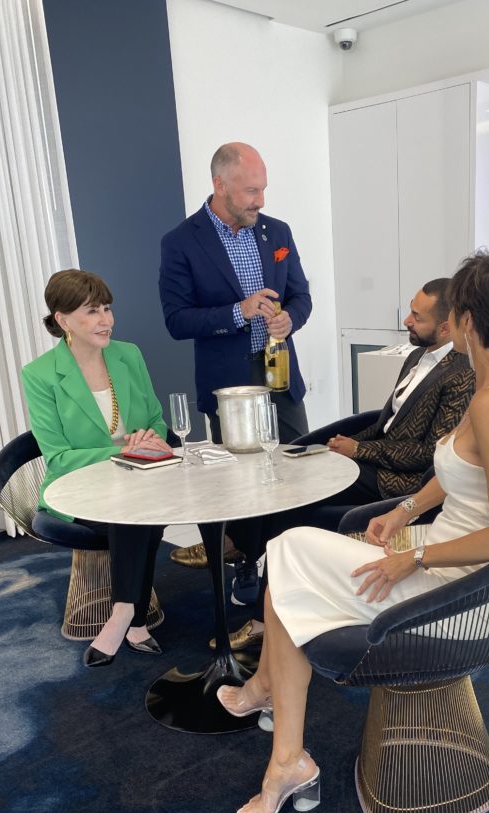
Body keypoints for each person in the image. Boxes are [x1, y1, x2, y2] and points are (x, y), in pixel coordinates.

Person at [217, 247, 489, 813]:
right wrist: (403, 511)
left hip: (450, 591)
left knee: (287, 551)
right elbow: (465, 473)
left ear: (467, 320)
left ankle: (275, 723)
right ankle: (282, 744)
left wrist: (413, 556)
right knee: (288, 568)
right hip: (443, 562)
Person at [223, 276, 474, 649]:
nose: (406, 320)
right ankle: (249, 559)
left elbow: (429, 455)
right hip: (374, 464)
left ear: (445, 326)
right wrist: (353, 441)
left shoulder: (462, 375)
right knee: (283, 482)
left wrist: (360, 451)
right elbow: (387, 423)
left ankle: (263, 617)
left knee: (294, 510)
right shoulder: (417, 354)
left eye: (416, 316)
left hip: (398, 482)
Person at [159, 142, 312, 593]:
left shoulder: (276, 232)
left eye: (262, 190)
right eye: (250, 191)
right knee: (243, 482)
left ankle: (296, 560)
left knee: (297, 468)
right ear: (219, 184)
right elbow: (176, 320)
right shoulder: (181, 242)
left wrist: (290, 319)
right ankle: (248, 558)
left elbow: (301, 296)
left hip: (280, 374)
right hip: (229, 383)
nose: (259, 201)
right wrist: (237, 312)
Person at [22, 270, 173, 668]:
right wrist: (119, 452)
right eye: (91, 311)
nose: (106, 319)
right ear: (63, 319)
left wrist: (149, 438)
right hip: (79, 490)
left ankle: (126, 613)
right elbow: (57, 456)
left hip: (142, 477)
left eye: (107, 308)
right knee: (132, 512)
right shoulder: (39, 375)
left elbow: (157, 420)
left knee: (140, 505)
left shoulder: (129, 355)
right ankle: (130, 615)